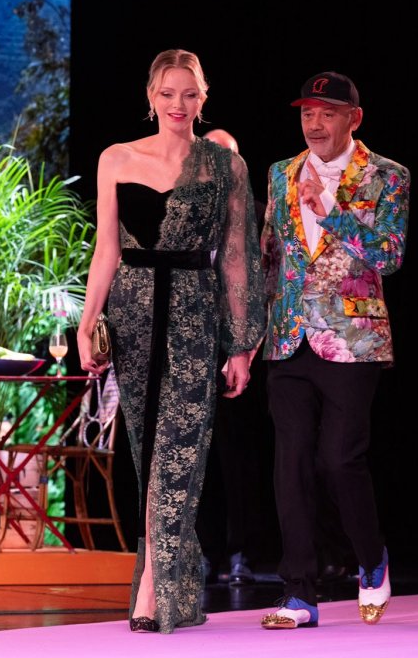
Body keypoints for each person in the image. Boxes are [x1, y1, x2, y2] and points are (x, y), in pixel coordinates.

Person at [77, 49, 265, 634]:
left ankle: (152, 589)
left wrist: (241, 344)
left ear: (202, 98)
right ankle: (173, 585)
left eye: (189, 94)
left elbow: (238, 257)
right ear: (151, 97)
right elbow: (106, 248)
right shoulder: (116, 158)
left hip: (194, 315)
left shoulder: (224, 164)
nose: (177, 104)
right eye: (167, 93)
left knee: (179, 450)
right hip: (132, 316)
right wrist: (88, 322)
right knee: (146, 450)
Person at [258, 71, 410, 630]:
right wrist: (250, 335)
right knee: (291, 463)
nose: (315, 124)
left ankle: (372, 560)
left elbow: (390, 256)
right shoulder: (280, 172)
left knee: (340, 459)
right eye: (307, 113)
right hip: (288, 335)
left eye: (327, 113)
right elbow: (269, 254)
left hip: (353, 337)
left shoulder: (387, 175)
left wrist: (331, 211)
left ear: (354, 118)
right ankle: (299, 593)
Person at [197, 127, 265, 587]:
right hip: (193, 343)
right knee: (197, 457)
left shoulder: (257, 215)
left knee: (238, 457)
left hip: (240, 348)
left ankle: (242, 551)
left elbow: (266, 287)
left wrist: (244, 346)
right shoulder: (185, 212)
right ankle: (205, 552)